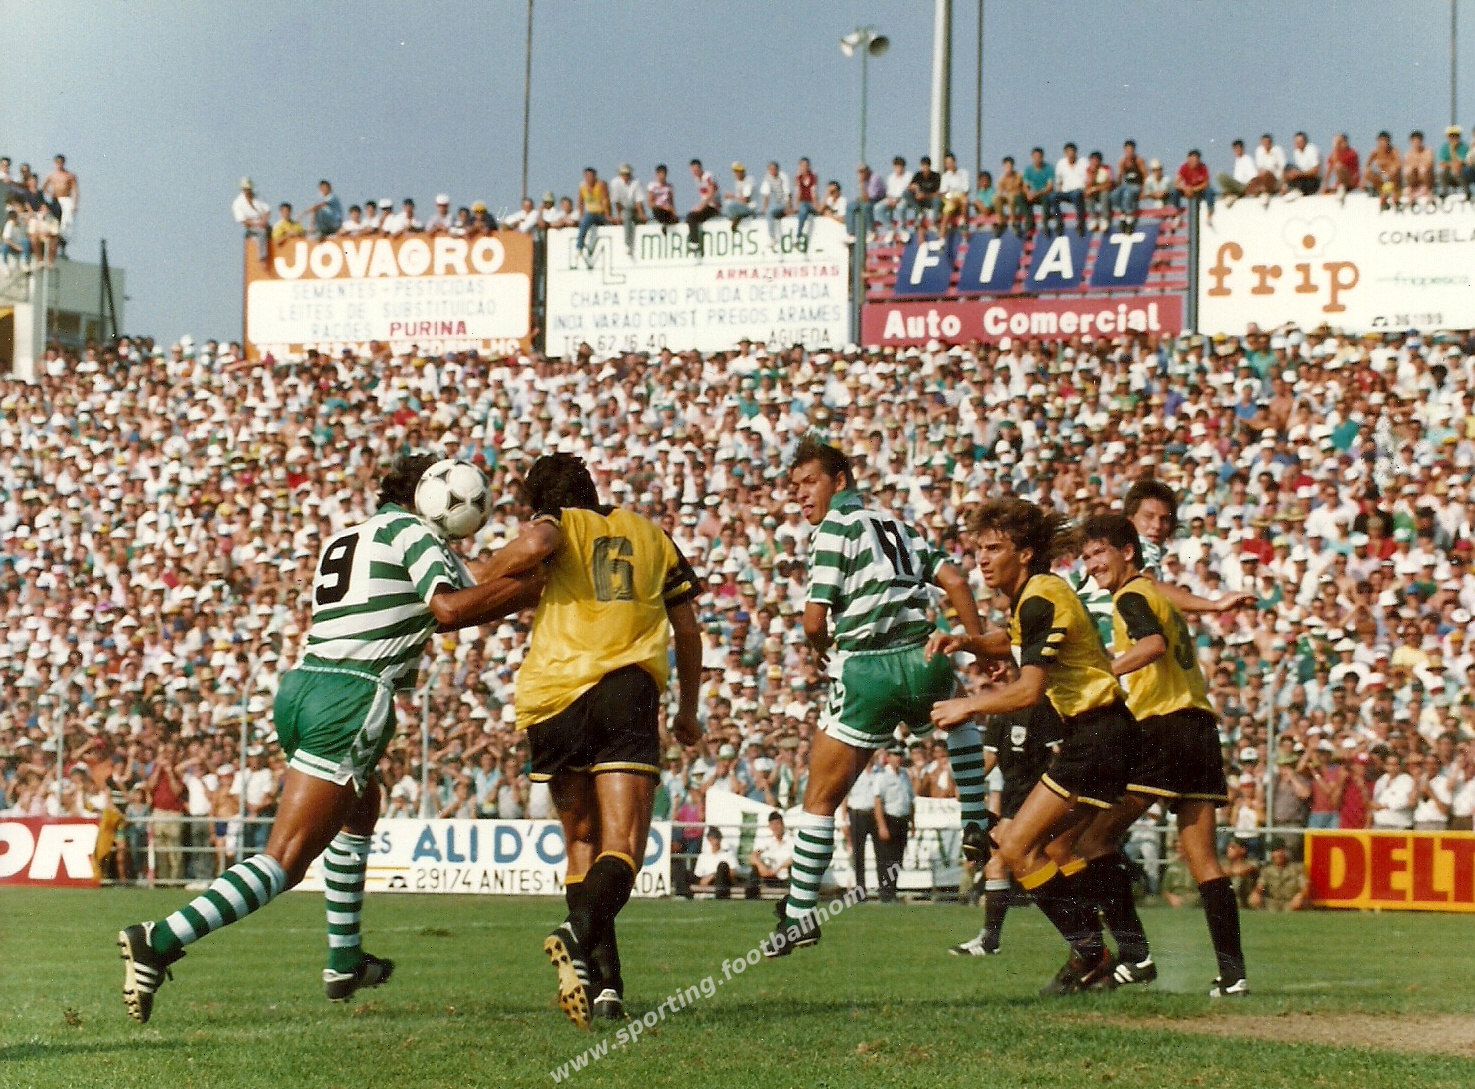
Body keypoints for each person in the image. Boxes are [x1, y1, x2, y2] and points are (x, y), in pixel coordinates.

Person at [117, 453, 546, 1024]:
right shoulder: (415, 532)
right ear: (428, 496)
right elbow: (452, 607)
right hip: (350, 694)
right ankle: (160, 939)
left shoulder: (353, 536)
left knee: (361, 804)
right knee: (286, 858)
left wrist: (519, 579)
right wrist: (538, 584)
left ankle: (345, 959)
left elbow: (479, 585)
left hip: (302, 686)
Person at [474, 452, 702, 1028]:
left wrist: (481, 572)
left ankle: (606, 986)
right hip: (624, 689)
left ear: (541, 506)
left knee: (581, 843)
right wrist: (688, 709)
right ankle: (575, 935)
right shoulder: (652, 535)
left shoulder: (558, 526)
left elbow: (534, 544)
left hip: (552, 698)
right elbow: (687, 628)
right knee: (622, 846)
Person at [764, 438, 985, 958]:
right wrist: (977, 644)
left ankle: (798, 916)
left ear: (839, 481)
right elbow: (955, 580)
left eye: (810, 482)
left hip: (868, 668)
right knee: (958, 715)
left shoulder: (832, 529)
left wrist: (824, 650)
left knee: (820, 797)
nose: (801, 495)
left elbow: (813, 621)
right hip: (925, 656)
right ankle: (976, 817)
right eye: (795, 487)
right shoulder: (899, 525)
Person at [930, 498, 1137, 997]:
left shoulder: (1040, 596)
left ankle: (1093, 954)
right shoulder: (1035, 595)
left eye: (994, 548)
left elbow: (1029, 689)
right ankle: (1112, 952)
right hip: (1099, 732)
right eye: (978, 549)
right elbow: (1013, 643)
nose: (982, 559)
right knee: (1055, 848)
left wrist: (969, 706)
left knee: (1018, 847)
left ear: (1024, 554)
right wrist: (966, 641)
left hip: (1098, 731)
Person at [1072, 514, 1249, 997]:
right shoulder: (1150, 590)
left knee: (1092, 838)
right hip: (1200, 727)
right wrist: (1214, 604)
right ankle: (1233, 977)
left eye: (1098, 553)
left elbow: (1151, 643)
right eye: (1085, 557)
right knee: (1203, 860)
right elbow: (1165, 594)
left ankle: (1135, 955)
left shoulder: (1129, 597)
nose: (1091, 565)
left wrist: (1104, 671)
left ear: (1127, 552)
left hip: (1164, 727)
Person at [949, 689, 1061, 956]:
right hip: (1013, 796)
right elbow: (990, 757)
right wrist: (969, 785)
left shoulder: (1040, 706)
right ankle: (990, 939)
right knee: (998, 861)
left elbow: (1058, 754)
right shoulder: (999, 714)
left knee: (1002, 860)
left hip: (1036, 795)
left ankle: (1085, 931)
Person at [873, 742, 914, 902]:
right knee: (886, 858)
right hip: (889, 819)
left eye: (899, 755)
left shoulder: (904, 775)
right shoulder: (882, 776)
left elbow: (910, 800)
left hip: (903, 819)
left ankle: (892, 890)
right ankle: (885, 893)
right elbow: (878, 802)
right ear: (888, 757)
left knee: (898, 858)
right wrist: (882, 826)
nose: (898, 758)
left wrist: (912, 822)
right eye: (895, 755)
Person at [846, 751, 880, 897]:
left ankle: (883, 888)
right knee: (858, 854)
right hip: (857, 813)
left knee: (880, 852)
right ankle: (860, 889)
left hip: (874, 813)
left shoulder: (880, 771)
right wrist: (844, 819)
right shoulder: (854, 772)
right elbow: (846, 795)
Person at [746, 810, 794, 899]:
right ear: (770, 826)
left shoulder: (791, 840)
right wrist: (761, 866)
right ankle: (751, 898)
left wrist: (778, 870)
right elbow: (753, 857)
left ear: (783, 825)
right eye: (773, 824)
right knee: (754, 868)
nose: (775, 827)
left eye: (778, 824)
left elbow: (793, 858)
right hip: (770, 876)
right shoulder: (767, 841)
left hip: (785, 876)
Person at [1249, 838, 1307, 911]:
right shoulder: (1266, 870)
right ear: (1272, 854)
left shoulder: (1297, 869)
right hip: (1272, 903)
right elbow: (1260, 886)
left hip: (1290, 902)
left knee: (1300, 903)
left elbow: (1305, 887)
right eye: (1276, 851)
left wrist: (1300, 895)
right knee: (1253, 899)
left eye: (1281, 851)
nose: (1279, 854)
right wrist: (1256, 893)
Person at [1049, 143, 1088, 236]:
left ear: (1076, 152)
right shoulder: (1061, 163)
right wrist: (1059, 190)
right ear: (1065, 153)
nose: (1071, 154)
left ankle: (1080, 223)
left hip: (1079, 191)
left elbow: (1088, 177)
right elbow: (1059, 181)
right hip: (1065, 192)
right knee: (1052, 196)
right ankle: (1059, 221)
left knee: (1077, 195)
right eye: (1068, 152)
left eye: (1072, 152)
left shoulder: (1083, 162)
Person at [42, 154, 78, 252]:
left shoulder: (70, 175)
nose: (59, 164)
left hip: (66, 199)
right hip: (55, 200)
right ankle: (54, 244)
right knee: (54, 221)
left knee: (67, 222)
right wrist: (50, 194)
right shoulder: (51, 175)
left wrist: (75, 205)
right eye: (57, 162)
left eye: (61, 162)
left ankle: (64, 244)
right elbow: (44, 187)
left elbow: (75, 191)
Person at [685, 159, 721, 255]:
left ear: (700, 168)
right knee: (690, 217)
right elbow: (703, 196)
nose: (695, 172)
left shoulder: (707, 176)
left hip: (713, 206)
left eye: (696, 170)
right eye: (693, 170)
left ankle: (694, 243)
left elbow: (711, 193)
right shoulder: (697, 180)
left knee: (692, 217)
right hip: (706, 205)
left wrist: (701, 207)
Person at [609, 163, 645, 257]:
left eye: (627, 174)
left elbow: (638, 201)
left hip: (635, 207)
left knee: (642, 220)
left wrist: (641, 214)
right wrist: (619, 214)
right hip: (624, 208)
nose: (625, 176)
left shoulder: (636, 182)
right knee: (627, 218)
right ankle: (628, 244)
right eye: (623, 174)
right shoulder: (615, 183)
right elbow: (616, 201)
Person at [690, 826, 737, 898]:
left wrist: (715, 874)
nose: (716, 841)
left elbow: (733, 873)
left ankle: (720, 895)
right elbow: (700, 879)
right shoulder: (703, 856)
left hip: (723, 882)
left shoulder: (728, 854)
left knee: (722, 866)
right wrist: (712, 876)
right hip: (708, 881)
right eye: (713, 839)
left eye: (718, 838)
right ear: (709, 840)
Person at [575, 168, 610, 264]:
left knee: (608, 226)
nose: (589, 178)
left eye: (591, 176)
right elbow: (580, 202)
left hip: (601, 212)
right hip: (590, 213)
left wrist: (607, 214)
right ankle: (579, 247)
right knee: (583, 225)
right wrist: (580, 216)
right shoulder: (582, 187)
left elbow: (605, 199)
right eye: (587, 176)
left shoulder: (601, 184)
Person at [232, 178, 271, 261]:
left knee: (274, 232)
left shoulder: (258, 197)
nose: (248, 191)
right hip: (251, 227)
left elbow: (267, 211)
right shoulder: (238, 203)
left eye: (249, 189)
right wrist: (257, 224)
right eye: (246, 189)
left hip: (263, 223)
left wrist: (263, 221)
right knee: (262, 233)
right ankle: (262, 257)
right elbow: (243, 221)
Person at [757, 160, 792, 249]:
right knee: (769, 212)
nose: (772, 171)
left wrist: (788, 207)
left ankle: (772, 237)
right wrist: (764, 209)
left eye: (774, 169)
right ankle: (773, 237)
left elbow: (788, 193)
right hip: (777, 204)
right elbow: (766, 195)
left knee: (770, 212)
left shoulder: (783, 177)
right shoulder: (767, 178)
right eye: (770, 169)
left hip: (784, 203)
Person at [1020, 147, 1053, 236]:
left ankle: (1045, 224)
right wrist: (1028, 193)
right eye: (1035, 157)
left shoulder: (1048, 168)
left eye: (1039, 157)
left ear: (1042, 157)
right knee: (1020, 197)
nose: (1037, 159)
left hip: (1043, 194)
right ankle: (1029, 224)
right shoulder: (1028, 169)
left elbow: (1049, 186)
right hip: (1032, 195)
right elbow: (1025, 185)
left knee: (1047, 198)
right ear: (1032, 158)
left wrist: (1037, 193)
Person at [1283, 131, 1322, 197]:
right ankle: (1287, 188)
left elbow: (1315, 171)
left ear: (1305, 141)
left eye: (1300, 141)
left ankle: (1296, 190)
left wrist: (1299, 174)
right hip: (1302, 177)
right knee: (1287, 167)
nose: (1297, 143)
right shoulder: (1296, 152)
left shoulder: (1312, 150)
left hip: (1313, 181)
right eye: (1296, 142)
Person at [792, 157, 819, 244]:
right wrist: (796, 206)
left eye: (806, 165)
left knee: (805, 209)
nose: (804, 167)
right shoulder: (798, 177)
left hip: (811, 203)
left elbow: (814, 192)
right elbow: (798, 192)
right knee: (802, 210)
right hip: (803, 202)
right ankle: (799, 234)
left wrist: (816, 206)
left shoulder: (813, 176)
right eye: (802, 165)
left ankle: (799, 235)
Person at [647, 163, 678, 228]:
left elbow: (671, 202)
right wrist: (662, 206)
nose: (663, 176)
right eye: (661, 174)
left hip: (667, 211)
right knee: (657, 211)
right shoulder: (652, 186)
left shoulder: (669, 187)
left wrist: (673, 212)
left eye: (664, 174)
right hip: (658, 209)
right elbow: (649, 203)